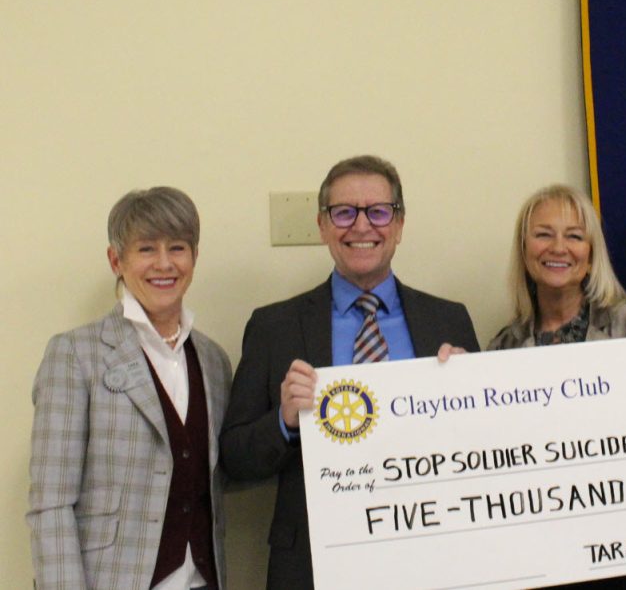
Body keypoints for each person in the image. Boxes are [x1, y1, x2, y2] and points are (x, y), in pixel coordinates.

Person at [219, 155, 480, 589]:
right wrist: (283, 422)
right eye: (344, 212)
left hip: (431, 557)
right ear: (322, 225)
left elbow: (485, 452)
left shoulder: (448, 321)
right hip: (313, 564)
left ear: (398, 225)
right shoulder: (273, 327)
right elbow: (234, 459)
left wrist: (472, 398)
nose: (362, 226)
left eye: (378, 211)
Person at [27, 187, 232, 590]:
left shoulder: (213, 360)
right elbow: (50, 505)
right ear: (115, 260)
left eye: (177, 248)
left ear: (194, 258)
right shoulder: (75, 354)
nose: (163, 264)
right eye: (145, 249)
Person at [487, 184, 626, 349]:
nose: (558, 248)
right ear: (524, 251)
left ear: (591, 256)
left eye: (574, 236)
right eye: (543, 234)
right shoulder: (505, 345)